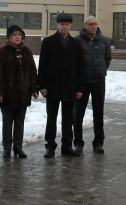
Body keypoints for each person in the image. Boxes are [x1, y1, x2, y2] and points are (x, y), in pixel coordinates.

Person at [37, 12, 83, 158]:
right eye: (62, 24)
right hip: (52, 87)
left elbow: (80, 67)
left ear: (70, 26)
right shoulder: (48, 42)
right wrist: (42, 86)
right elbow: (42, 66)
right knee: (52, 118)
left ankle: (67, 146)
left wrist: (79, 88)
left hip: (70, 87)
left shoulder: (76, 44)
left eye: (67, 24)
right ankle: (50, 146)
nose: (64, 27)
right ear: (57, 25)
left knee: (68, 118)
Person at [0, 25, 38, 158]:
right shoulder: (2, 52)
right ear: (9, 37)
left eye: (19, 35)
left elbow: (32, 71)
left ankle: (18, 147)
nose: (17, 37)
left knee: (20, 122)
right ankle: (7, 148)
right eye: (14, 35)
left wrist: (33, 89)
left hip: (23, 94)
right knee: (7, 123)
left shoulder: (27, 51)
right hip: (8, 95)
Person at [74, 15, 111, 154]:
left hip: (98, 82)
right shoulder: (77, 41)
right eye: (90, 24)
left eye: (95, 24)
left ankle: (98, 142)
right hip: (82, 83)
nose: (93, 26)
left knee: (98, 113)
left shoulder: (104, 41)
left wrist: (101, 70)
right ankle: (78, 143)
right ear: (85, 25)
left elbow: (107, 58)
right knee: (78, 114)